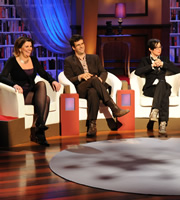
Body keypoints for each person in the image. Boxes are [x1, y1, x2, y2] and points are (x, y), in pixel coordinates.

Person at [64, 34, 129, 137]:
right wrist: (80, 76)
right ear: (73, 48)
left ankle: (92, 125)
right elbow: (69, 78)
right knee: (93, 82)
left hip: (95, 86)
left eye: (82, 44)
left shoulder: (94, 57)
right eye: (78, 45)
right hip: (81, 88)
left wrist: (100, 79)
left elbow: (104, 72)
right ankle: (114, 107)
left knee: (93, 92)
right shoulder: (68, 61)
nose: (81, 47)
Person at [1, 36, 61, 146]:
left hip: (32, 90)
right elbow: (2, 77)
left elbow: (43, 74)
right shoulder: (12, 61)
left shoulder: (33, 60)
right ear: (19, 48)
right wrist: (14, 84)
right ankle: (40, 131)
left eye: (31, 46)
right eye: (26, 46)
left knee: (42, 85)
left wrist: (53, 81)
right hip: (21, 94)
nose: (30, 49)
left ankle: (40, 125)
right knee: (46, 99)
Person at [135, 38, 180, 135]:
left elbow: (177, 70)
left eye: (160, 47)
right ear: (150, 50)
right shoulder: (145, 60)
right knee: (164, 92)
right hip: (150, 89)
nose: (159, 50)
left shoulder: (165, 59)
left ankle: (155, 111)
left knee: (162, 83)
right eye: (156, 48)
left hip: (163, 86)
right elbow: (137, 72)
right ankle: (163, 123)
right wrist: (151, 66)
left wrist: (163, 64)